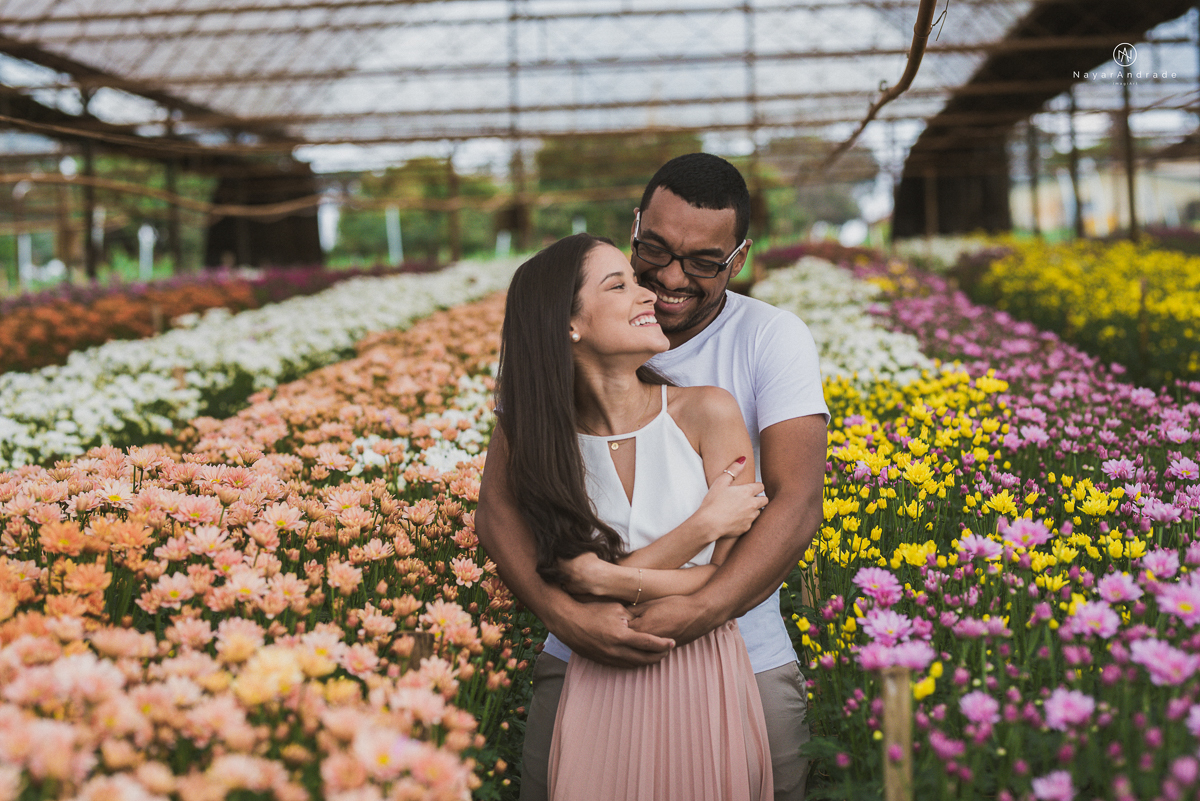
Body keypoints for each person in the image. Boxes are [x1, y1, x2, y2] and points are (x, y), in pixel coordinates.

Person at [476, 153, 828, 801]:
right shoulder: (554, 349)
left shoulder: (769, 339)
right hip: (585, 654)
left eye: (702, 263)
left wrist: (697, 609)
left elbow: (798, 499)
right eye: (653, 250)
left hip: (741, 655)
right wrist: (568, 615)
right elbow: (497, 509)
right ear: (635, 226)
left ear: (739, 258)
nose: (668, 279)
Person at [496, 232, 774, 799]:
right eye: (618, 283)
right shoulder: (541, 446)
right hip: (598, 673)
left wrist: (607, 577)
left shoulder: (709, 411)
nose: (647, 291)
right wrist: (699, 528)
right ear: (567, 324)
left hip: (703, 669)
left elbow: (724, 577)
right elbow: (573, 588)